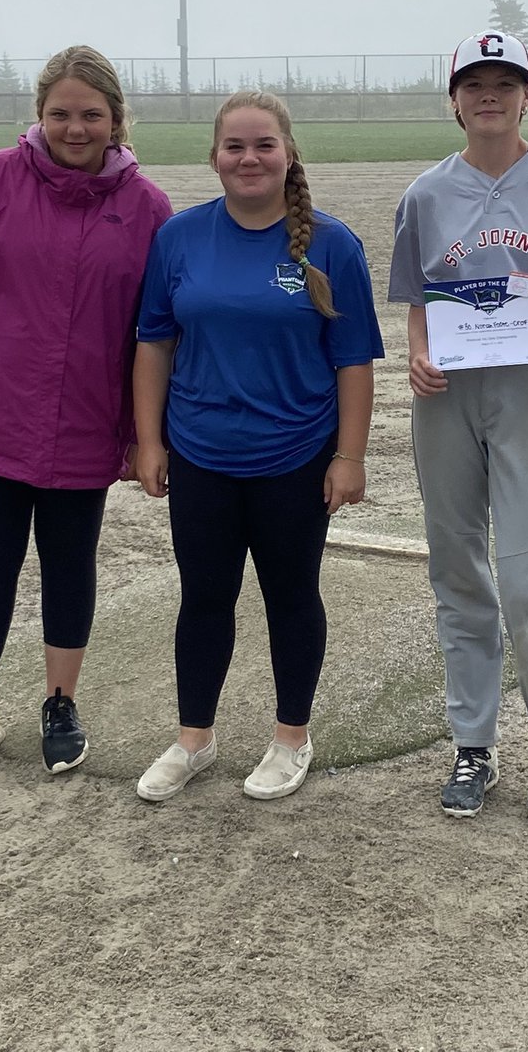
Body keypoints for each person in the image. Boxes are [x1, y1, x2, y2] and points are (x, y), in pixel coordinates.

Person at [0, 45, 172, 786]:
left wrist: (140, 433)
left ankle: (61, 702)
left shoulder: (147, 208)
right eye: (60, 114)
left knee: (69, 565)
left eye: (91, 114)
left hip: (87, 424)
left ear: (116, 119)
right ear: (39, 115)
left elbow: (155, 333)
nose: (75, 128)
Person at [388, 31, 528, 821]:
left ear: (527, 97)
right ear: (454, 100)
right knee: (457, 572)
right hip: (447, 395)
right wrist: (417, 354)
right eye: (474, 83)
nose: (490, 95)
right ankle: (474, 746)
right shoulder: (426, 194)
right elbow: (418, 297)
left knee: (526, 582)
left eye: (505, 82)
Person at [133, 90, 384, 802]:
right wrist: (149, 440)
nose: (249, 158)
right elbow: (154, 343)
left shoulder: (331, 244)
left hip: (296, 457)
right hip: (200, 453)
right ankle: (194, 739)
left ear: (288, 153)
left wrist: (350, 456)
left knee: (291, 597)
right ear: (213, 156)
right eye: (235, 146)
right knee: (203, 598)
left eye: (264, 145)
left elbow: (353, 360)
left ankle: (291, 738)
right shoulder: (179, 238)